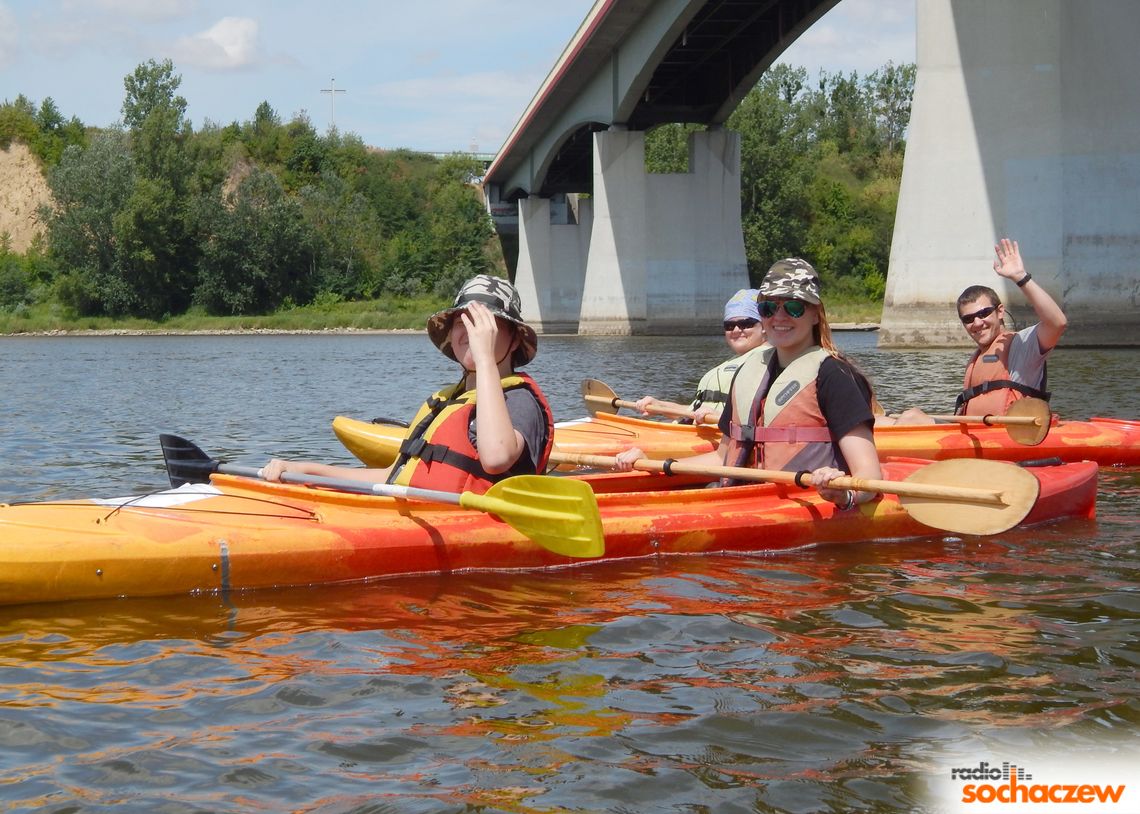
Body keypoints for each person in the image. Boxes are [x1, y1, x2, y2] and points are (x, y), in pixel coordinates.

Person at [616, 258, 882, 511]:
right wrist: (655, 464)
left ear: (815, 314)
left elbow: (868, 476)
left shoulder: (835, 375)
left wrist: (845, 495)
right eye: (768, 308)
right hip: (742, 498)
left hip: (804, 502)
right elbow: (722, 458)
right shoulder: (748, 372)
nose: (779, 317)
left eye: (793, 307)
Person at [262, 274, 554, 493]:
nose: (470, 333)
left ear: (515, 339)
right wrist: (303, 471)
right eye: (460, 323)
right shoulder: (448, 401)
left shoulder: (519, 402)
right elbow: (393, 475)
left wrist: (486, 359)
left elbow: (496, 458)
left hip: (470, 526)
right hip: (414, 515)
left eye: (484, 324)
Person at [889, 238, 1067, 424]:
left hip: (1009, 438)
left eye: (983, 313)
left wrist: (1020, 277)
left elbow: (1057, 323)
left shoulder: (1023, 347)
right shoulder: (977, 357)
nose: (977, 322)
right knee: (891, 418)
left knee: (911, 418)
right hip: (974, 434)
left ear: (999, 312)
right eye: (968, 319)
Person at [630, 288, 768, 424]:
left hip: (727, 439)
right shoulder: (735, 361)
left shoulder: (771, 362)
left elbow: (767, 421)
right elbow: (695, 410)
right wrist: (660, 406)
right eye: (729, 326)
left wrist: (721, 417)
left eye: (746, 324)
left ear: (764, 326)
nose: (737, 330)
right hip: (698, 433)